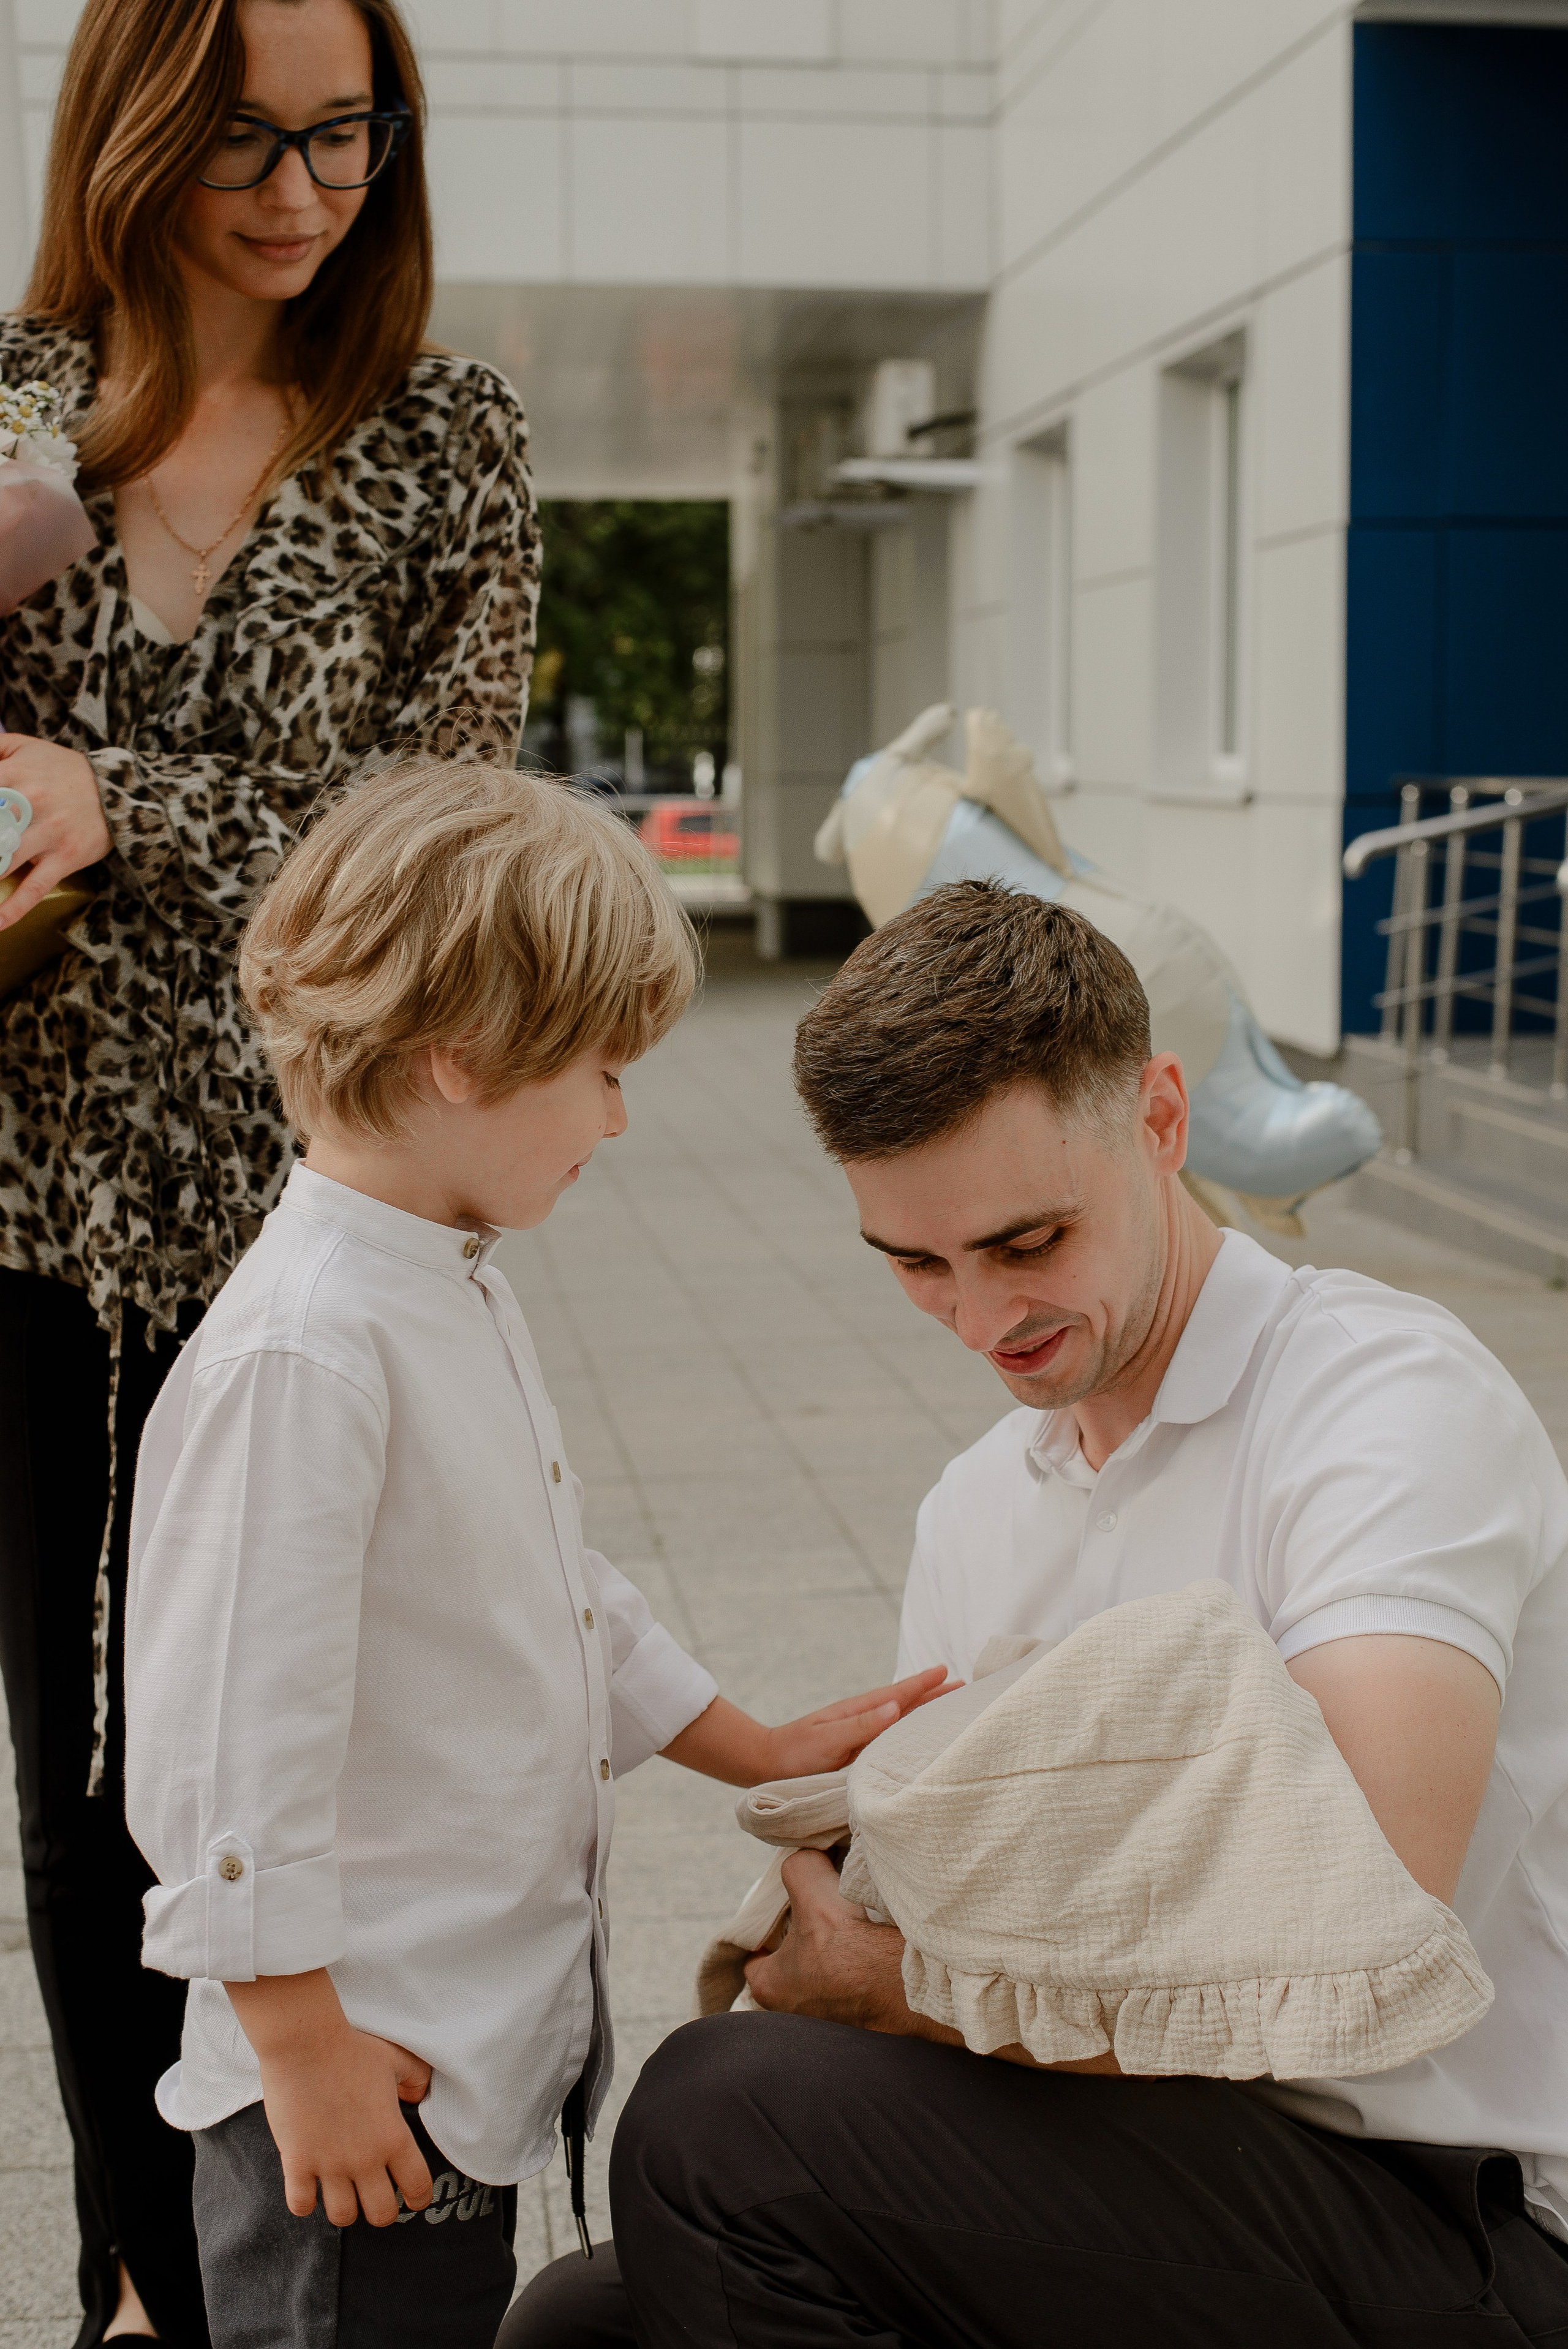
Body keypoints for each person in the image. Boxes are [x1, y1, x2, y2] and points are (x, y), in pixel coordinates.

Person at [507, 882, 1568, 2348]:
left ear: (1159, 1119)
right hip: (1141, 2156)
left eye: (1026, 1241)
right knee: (579, 2324)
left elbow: (1369, 1905)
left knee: (717, 2121)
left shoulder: (1381, 1404)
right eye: (916, 1263)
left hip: (1435, 2205)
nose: (979, 1317)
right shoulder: (976, 1506)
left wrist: (902, 1989)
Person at [121, 755, 948, 2349]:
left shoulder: (450, 1280)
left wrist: (748, 1743)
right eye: (605, 1069)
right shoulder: (309, 1349)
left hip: (446, 2054)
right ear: (462, 1059)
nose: (629, 1115)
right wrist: (297, 2042)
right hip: (362, 2073)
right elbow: (231, 1733)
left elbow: (561, 1589)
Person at [0, 1, 537, 2339]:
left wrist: (124, 813)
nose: (306, 187)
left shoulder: (445, 443)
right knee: (83, 1792)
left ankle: (264, 2256)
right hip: (27, 1208)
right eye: (248, 133)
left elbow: (449, 850)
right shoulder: (11, 406)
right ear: (130, 123)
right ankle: (146, 2275)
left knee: (301, 1748)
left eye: (349, 133)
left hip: (311, 1221)